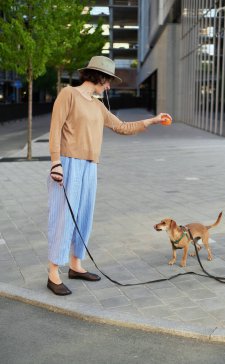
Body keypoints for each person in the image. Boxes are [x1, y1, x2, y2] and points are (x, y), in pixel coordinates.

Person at [47, 55, 171, 295]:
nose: (109, 86)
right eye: (108, 81)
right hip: (68, 164)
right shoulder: (68, 95)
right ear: (99, 77)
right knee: (64, 217)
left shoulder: (97, 105)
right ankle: (53, 272)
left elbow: (122, 127)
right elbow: (55, 130)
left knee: (84, 216)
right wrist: (55, 163)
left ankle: (75, 265)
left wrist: (153, 121)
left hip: (90, 167)